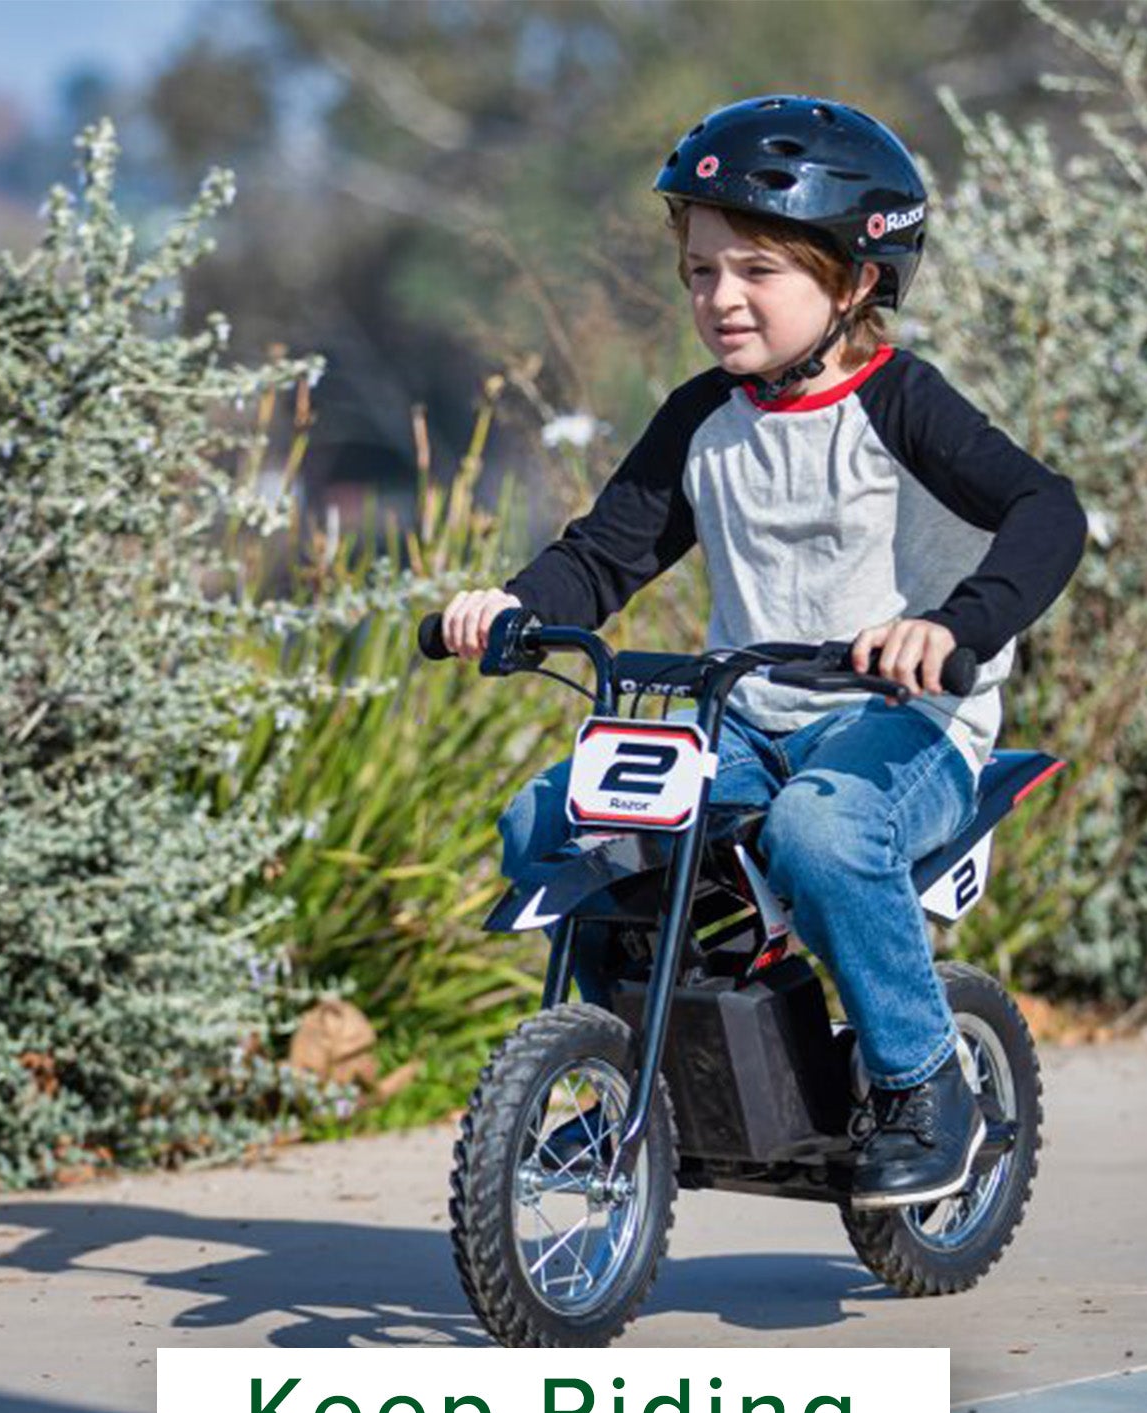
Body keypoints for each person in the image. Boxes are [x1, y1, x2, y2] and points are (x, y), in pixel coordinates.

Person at [438, 96, 1086, 1210]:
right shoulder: (704, 417)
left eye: (757, 272)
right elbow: (604, 555)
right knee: (552, 822)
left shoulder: (903, 405)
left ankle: (924, 1084)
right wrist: (508, 604)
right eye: (700, 273)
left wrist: (956, 625)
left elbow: (1047, 510)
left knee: (821, 832)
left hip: (905, 724)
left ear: (855, 281)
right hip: (743, 720)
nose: (720, 299)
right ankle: (645, 1066)